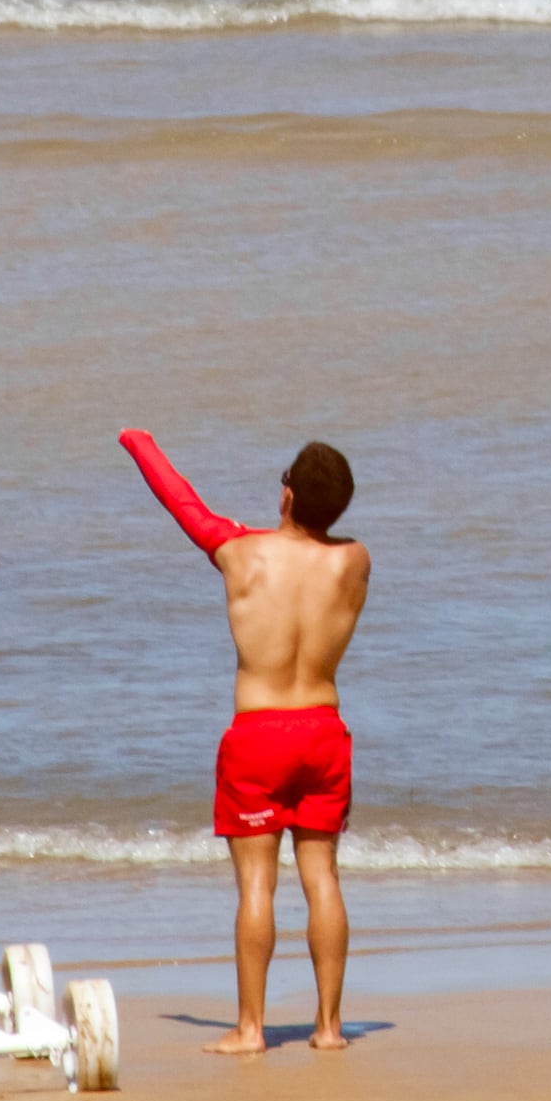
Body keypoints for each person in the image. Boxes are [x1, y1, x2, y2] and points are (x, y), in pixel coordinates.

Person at [119, 427, 368, 1055]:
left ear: (285, 494)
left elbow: (184, 505)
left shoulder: (241, 553)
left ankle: (252, 1029)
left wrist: (139, 439)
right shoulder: (354, 560)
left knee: (257, 886)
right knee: (323, 879)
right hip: (323, 731)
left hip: (259, 736)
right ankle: (330, 1028)